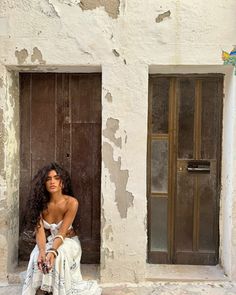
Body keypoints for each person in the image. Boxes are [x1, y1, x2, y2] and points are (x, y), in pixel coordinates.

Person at [22, 162, 102, 295]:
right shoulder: (39, 203)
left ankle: (57, 290)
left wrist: (52, 251)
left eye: (56, 178)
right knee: (36, 255)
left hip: (67, 240)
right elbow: (40, 231)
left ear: (62, 183)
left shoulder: (71, 203)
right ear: (44, 184)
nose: (52, 182)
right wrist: (42, 251)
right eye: (48, 179)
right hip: (46, 240)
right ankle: (42, 289)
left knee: (59, 256)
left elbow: (62, 231)